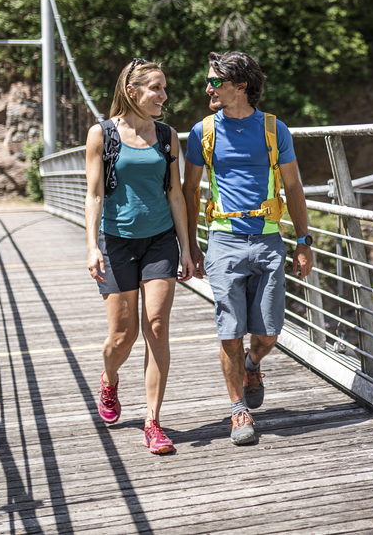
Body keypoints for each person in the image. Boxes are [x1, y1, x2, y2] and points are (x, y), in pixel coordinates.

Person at [182, 51, 314, 445]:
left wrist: (304, 242)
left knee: (270, 331)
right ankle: (239, 412)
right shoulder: (202, 132)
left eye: (215, 82)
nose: (208, 87)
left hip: (269, 240)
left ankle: (253, 363)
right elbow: (189, 191)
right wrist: (191, 245)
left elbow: (293, 188)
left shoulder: (275, 130)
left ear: (240, 86)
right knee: (229, 329)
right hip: (223, 241)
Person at [85, 57, 193, 455]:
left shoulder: (167, 135)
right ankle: (109, 380)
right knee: (122, 336)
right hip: (117, 242)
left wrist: (185, 247)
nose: (164, 96)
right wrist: (92, 245)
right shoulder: (102, 134)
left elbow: (175, 194)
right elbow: (95, 194)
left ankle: (153, 421)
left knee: (158, 327)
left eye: (164, 89)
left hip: (160, 240)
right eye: (156, 89)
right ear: (132, 92)